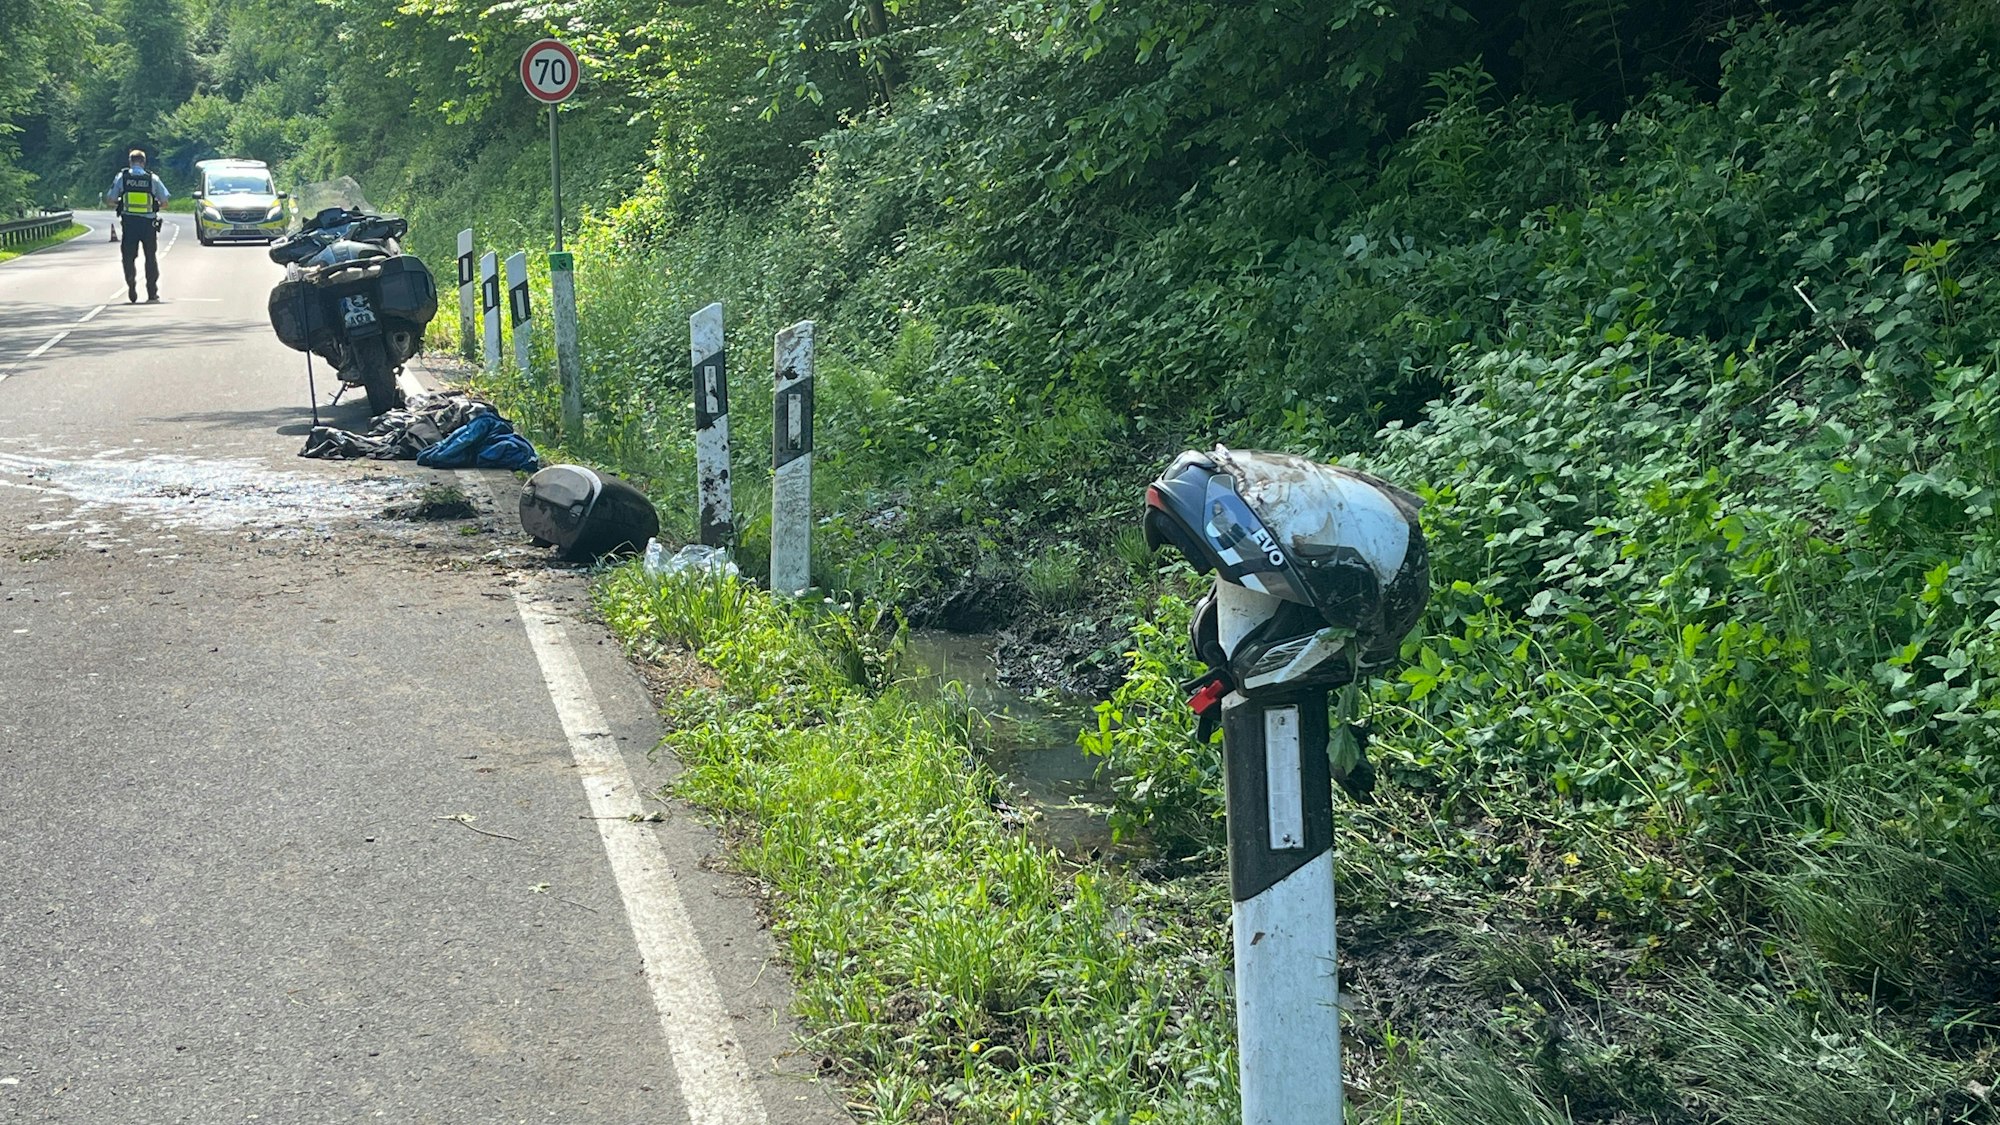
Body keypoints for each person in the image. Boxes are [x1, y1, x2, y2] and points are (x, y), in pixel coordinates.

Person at [106, 149, 169, 303]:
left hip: (129, 224)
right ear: (143, 162)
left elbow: (110, 200)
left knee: (128, 257)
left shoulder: (122, 177)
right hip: (148, 225)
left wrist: (122, 201)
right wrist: (154, 205)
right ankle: (152, 293)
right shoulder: (152, 179)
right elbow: (165, 203)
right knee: (150, 258)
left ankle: (131, 281)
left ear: (130, 162)